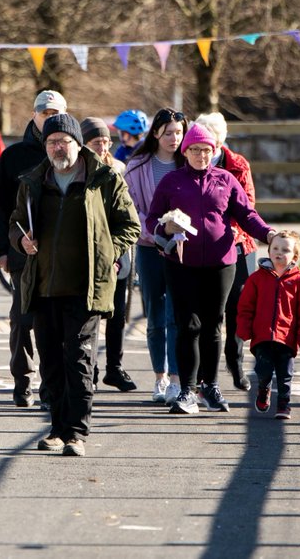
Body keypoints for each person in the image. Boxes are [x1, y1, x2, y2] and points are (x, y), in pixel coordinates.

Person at [9, 114, 140, 456]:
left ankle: (77, 434)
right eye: (51, 142)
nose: (57, 147)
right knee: (51, 361)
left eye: (63, 141)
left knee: (79, 360)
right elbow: (16, 224)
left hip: (86, 287)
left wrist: (106, 250)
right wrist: (21, 241)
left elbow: (130, 225)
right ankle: (56, 428)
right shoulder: (34, 181)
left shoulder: (104, 178)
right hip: (43, 286)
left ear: (77, 144)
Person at [146, 122, 276, 415]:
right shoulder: (171, 182)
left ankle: (211, 386)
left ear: (214, 151)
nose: (201, 156)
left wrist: (267, 234)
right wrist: (163, 229)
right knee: (187, 326)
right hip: (180, 263)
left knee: (214, 326)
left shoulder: (227, 180)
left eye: (207, 150)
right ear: (185, 151)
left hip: (221, 262)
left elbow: (246, 214)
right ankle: (186, 391)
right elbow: (153, 219)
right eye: (195, 150)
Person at [0, 89, 68, 409]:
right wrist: (2, 248)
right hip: (23, 252)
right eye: (43, 112)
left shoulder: (76, 156)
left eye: (55, 113)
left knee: (57, 323)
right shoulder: (14, 156)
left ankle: (53, 385)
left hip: (63, 256)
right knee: (22, 320)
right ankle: (22, 380)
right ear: (34, 115)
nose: (49, 118)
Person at [123, 107, 187, 403]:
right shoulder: (137, 166)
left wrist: (178, 233)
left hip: (183, 249)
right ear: (156, 133)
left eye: (179, 132)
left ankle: (176, 379)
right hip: (149, 248)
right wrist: (156, 233)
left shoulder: (189, 164)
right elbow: (130, 207)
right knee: (155, 316)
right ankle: (159, 378)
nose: (175, 138)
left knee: (177, 315)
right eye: (169, 132)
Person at [194, 112, 259, 393]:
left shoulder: (237, 164)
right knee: (206, 311)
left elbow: (247, 203)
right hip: (202, 247)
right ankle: (200, 375)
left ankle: (236, 361)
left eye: (214, 140)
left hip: (237, 244)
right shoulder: (191, 161)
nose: (208, 146)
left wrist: (230, 229)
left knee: (238, 306)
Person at [81, 117, 139, 392]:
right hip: (90, 251)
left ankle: (114, 367)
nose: (103, 148)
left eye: (106, 142)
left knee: (118, 313)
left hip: (118, 250)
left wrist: (116, 251)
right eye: (96, 143)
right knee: (90, 314)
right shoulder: (80, 170)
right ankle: (89, 368)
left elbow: (127, 213)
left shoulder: (119, 168)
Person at [236, 231, 300, 420]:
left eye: (285, 250)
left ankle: (283, 404)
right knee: (263, 370)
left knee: (285, 374)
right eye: (275, 248)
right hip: (262, 337)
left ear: (294, 256)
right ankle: (263, 389)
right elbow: (245, 306)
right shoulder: (256, 279)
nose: (279, 253)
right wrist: (244, 328)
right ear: (269, 250)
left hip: (286, 338)